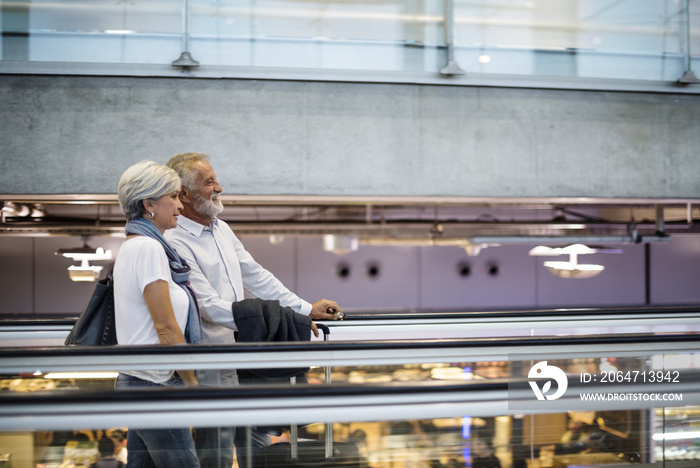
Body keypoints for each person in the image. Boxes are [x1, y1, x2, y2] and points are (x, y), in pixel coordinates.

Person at [164, 152, 342, 468]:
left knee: (256, 442)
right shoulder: (175, 241)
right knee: (216, 447)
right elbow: (208, 307)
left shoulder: (220, 228)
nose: (219, 187)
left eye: (215, 178)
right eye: (209, 182)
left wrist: (302, 309)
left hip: (245, 353)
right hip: (211, 361)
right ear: (185, 195)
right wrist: (279, 318)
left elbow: (256, 276)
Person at [113, 160, 202, 467]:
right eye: (173, 197)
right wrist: (192, 383)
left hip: (141, 379)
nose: (180, 205)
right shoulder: (149, 249)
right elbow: (165, 327)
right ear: (148, 204)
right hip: (153, 383)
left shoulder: (135, 246)